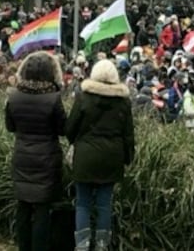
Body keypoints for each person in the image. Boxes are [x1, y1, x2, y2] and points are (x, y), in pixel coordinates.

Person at [66, 59, 135, 251]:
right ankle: (102, 245)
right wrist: (129, 157)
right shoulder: (123, 101)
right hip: (112, 157)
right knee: (105, 204)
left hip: (86, 156)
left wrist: (75, 141)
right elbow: (128, 134)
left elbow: (70, 127)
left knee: (83, 204)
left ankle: (82, 245)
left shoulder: (83, 97)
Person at [5, 51, 67, 251]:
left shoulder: (13, 96)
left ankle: (23, 246)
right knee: (42, 209)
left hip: (22, 156)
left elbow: (10, 126)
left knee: (22, 206)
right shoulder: (53, 98)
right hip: (47, 159)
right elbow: (63, 129)